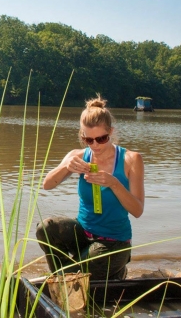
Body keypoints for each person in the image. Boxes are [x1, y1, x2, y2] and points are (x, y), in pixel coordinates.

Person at [35, 94, 145, 280]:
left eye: (101, 139)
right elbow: (47, 185)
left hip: (114, 242)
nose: (95, 145)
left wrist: (114, 183)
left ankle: (92, 273)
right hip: (83, 233)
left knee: (79, 270)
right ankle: (71, 276)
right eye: (89, 140)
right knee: (46, 228)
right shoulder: (77, 155)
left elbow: (137, 210)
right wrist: (66, 167)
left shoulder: (131, 160)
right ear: (82, 136)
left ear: (110, 131)